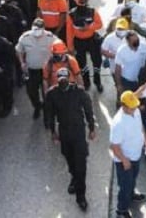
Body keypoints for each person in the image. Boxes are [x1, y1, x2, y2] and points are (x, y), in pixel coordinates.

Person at [43, 68, 96, 211]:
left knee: (81, 165)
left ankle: (81, 197)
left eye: (65, 78)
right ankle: (74, 177)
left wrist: (92, 128)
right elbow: (50, 114)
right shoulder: (52, 94)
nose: (62, 81)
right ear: (57, 79)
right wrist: (53, 132)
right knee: (69, 159)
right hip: (64, 132)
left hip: (78, 131)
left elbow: (88, 109)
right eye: (60, 78)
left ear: (69, 78)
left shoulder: (79, 91)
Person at [109, 90, 146, 218]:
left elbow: (140, 127)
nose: (135, 108)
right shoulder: (118, 123)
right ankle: (121, 210)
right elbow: (114, 146)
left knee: (132, 179)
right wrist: (124, 160)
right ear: (123, 106)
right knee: (125, 186)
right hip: (124, 160)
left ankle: (131, 196)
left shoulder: (135, 111)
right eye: (132, 107)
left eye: (135, 105)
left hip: (136, 155)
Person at [16, 18, 58, 119]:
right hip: (31, 70)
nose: (37, 32)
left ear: (43, 29)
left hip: (46, 70)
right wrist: (22, 62)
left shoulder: (50, 37)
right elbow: (19, 50)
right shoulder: (25, 37)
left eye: (39, 29)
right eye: (35, 29)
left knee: (47, 92)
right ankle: (37, 106)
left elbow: (59, 47)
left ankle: (48, 110)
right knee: (31, 92)